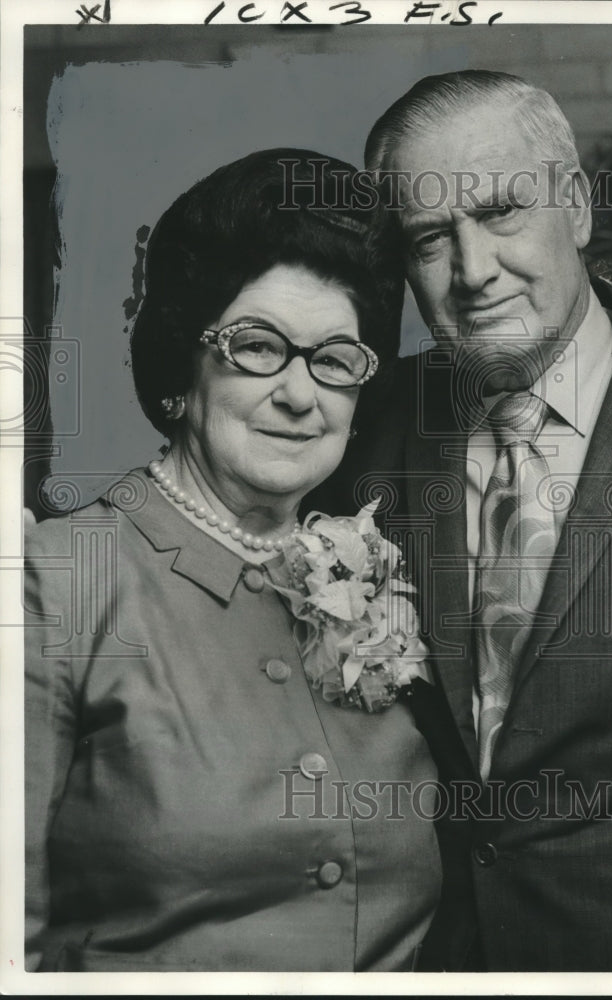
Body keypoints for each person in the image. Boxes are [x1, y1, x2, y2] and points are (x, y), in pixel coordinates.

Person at [317, 70, 612, 972]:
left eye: (500, 213)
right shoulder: (359, 427)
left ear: (576, 206)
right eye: (431, 237)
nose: (473, 271)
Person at [24, 149, 442, 972]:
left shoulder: (383, 571)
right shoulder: (56, 581)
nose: (298, 393)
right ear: (184, 358)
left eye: (333, 359)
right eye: (257, 346)